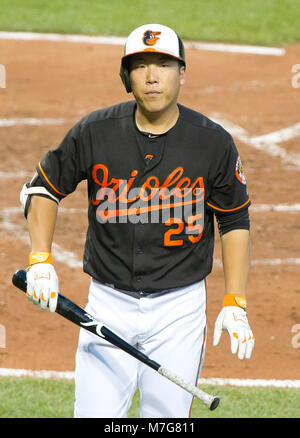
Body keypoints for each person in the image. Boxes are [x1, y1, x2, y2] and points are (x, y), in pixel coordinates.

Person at [20, 23, 254, 418]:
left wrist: (235, 301)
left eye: (163, 64)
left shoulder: (213, 143)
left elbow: (234, 222)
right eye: (140, 65)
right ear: (125, 77)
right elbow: (43, 188)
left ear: (182, 73)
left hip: (179, 311)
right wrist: (40, 261)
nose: (151, 76)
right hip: (107, 306)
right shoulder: (95, 132)